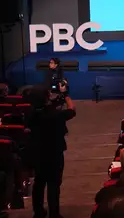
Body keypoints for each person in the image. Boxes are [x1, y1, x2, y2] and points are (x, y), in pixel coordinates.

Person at [27, 84, 76, 218]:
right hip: (54, 152)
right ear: (47, 97)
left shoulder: (30, 114)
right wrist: (66, 95)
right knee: (54, 183)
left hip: (37, 152)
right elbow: (72, 110)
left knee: (39, 182)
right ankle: (54, 213)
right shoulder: (55, 114)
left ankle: (38, 212)